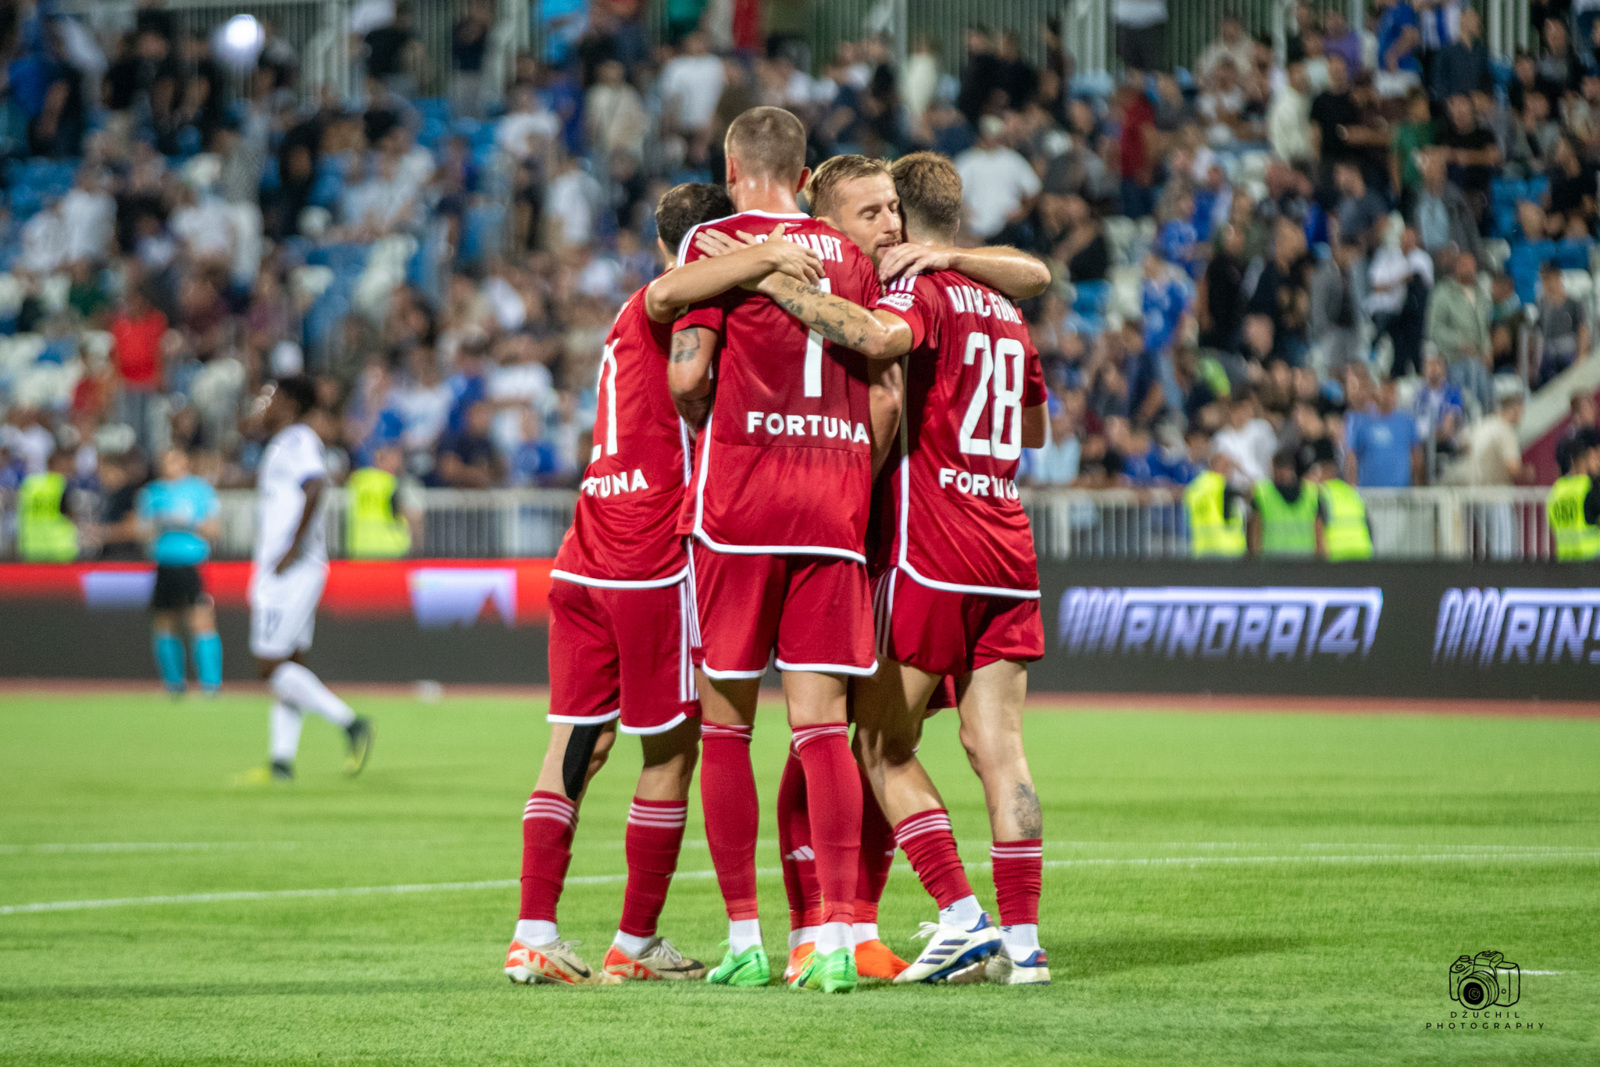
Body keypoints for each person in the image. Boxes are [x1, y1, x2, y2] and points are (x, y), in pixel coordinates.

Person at [505, 181, 828, 987]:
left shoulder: (624, 317)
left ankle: (533, 932)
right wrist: (768, 255)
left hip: (587, 544)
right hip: (652, 553)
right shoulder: (677, 304)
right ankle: (635, 939)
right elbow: (675, 292)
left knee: (579, 739)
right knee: (676, 747)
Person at [749, 152, 1052, 986]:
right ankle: (1026, 945)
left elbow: (883, 341)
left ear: (908, 225)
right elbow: (1034, 432)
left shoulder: (913, 288)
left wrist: (782, 289)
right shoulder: (1006, 305)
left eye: (888, 215)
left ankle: (960, 915)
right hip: (1008, 545)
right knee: (1002, 749)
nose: (882, 229)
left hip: (934, 545)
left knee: (877, 742)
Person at [665, 108, 887, 995]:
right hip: (832, 502)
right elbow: (884, 393)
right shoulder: (854, 259)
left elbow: (687, 372)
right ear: (803, 174)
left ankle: (747, 937)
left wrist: (714, 422)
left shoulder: (711, 243)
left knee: (726, 727)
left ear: (731, 164)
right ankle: (833, 938)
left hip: (739, 507)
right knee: (823, 727)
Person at [244, 375, 374, 783]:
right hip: (291, 567)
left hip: (291, 569)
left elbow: (317, 486)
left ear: (289, 403)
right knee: (293, 664)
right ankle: (281, 762)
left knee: (269, 666)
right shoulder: (282, 443)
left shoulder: (298, 438)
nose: (262, 404)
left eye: (269, 397)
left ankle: (351, 722)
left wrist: (291, 548)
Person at [138, 449, 222, 696]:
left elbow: (214, 530)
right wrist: (157, 523)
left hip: (192, 564)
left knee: (202, 620)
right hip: (164, 564)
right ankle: (173, 685)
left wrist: (188, 522)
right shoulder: (152, 493)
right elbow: (141, 533)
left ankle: (211, 685)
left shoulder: (200, 490)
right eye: (166, 460)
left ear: (186, 461)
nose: (171, 465)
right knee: (165, 623)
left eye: (176, 459)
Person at [345, 442, 419, 559]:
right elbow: (412, 517)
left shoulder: (358, 480)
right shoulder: (393, 483)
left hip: (359, 549)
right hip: (390, 549)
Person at [1250, 450, 1319, 557]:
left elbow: (1255, 535)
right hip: (1304, 564)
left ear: (1274, 468)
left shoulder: (1263, 493)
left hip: (1272, 565)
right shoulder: (1311, 493)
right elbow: (1319, 535)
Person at [17, 449, 79, 562]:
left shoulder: (30, 484)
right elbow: (70, 515)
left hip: (32, 547)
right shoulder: (63, 485)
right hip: (60, 548)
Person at [1306, 457, 1374, 560]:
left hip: (1337, 556)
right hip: (1362, 553)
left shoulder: (1323, 494)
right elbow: (1369, 527)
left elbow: (1318, 531)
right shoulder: (1352, 493)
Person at [1547, 430, 1600, 560]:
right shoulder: (1589, 488)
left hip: (1565, 562)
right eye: (1594, 457)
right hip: (1591, 561)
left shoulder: (1556, 491)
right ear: (1582, 461)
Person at [1185, 451, 1246, 558]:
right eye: (1228, 466)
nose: (1230, 470)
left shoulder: (1196, 486)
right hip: (1226, 548)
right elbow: (1250, 491)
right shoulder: (1222, 486)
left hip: (1202, 548)